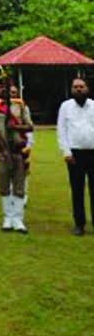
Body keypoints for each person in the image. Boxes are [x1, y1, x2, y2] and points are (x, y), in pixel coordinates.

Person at [0, 84, 33, 234]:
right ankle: (8, 217)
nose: (7, 93)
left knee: (19, 185)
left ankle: (18, 218)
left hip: (18, 150)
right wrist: (4, 149)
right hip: (3, 151)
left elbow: (29, 126)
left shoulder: (20, 106)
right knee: (4, 185)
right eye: (5, 90)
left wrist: (15, 127)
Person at [56, 77, 94, 236]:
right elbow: (61, 130)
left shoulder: (93, 105)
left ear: (87, 88)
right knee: (77, 190)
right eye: (75, 87)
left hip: (92, 152)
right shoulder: (66, 107)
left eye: (81, 86)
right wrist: (66, 152)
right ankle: (79, 224)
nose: (79, 89)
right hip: (75, 154)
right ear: (71, 90)